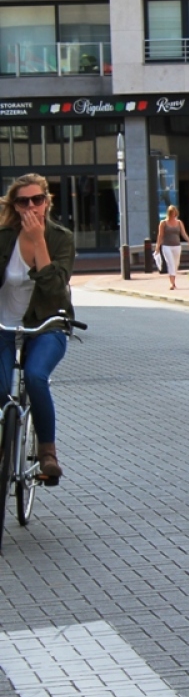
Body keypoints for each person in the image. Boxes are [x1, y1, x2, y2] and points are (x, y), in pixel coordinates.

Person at [0, 174, 75, 480]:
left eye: (37, 200)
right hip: (4, 326)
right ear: (15, 206)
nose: (31, 206)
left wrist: (39, 241)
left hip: (48, 325)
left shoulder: (61, 238)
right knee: (2, 388)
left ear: (46, 202)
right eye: (23, 201)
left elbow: (56, 289)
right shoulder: (4, 237)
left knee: (34, 376)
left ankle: (47, 453)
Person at [154, 205, 189, 290]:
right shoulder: (163, 223)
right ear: (168, 213)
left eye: (174, 213)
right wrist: (157, 247)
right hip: (166, 246)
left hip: (177, 246)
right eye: (171, 213)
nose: (172, 215)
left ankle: (173, 280)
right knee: (170, 263)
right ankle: (172, 283)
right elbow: (160, 235)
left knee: (175, 264)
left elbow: (183, 233)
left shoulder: (179, 222)